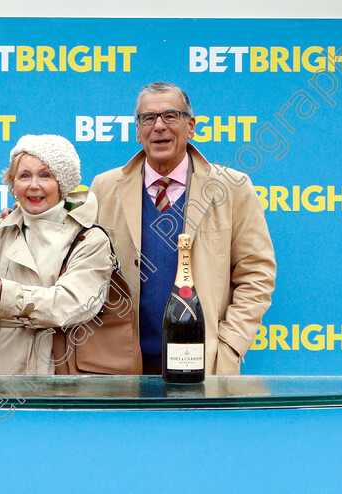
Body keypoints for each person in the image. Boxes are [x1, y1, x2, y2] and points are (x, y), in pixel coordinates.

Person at [89, 81, 276, 375]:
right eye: (148, 118)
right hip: (121, 368)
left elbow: (257, 276)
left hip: (204, 366)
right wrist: (15, 220)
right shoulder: (104, 187)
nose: (159, 126)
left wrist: (229, 345)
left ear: (191, 126)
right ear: (138, 131)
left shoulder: (233, 187)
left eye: (170, 116)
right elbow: (74, 256)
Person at [0, 134, 124, 375]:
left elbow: (72, 304)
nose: (33, 185)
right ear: (13, 183)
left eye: (45, 175)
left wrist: (2, 291)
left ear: (62, 182)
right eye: (24, 176)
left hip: (56, 373)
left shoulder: (90, 237)